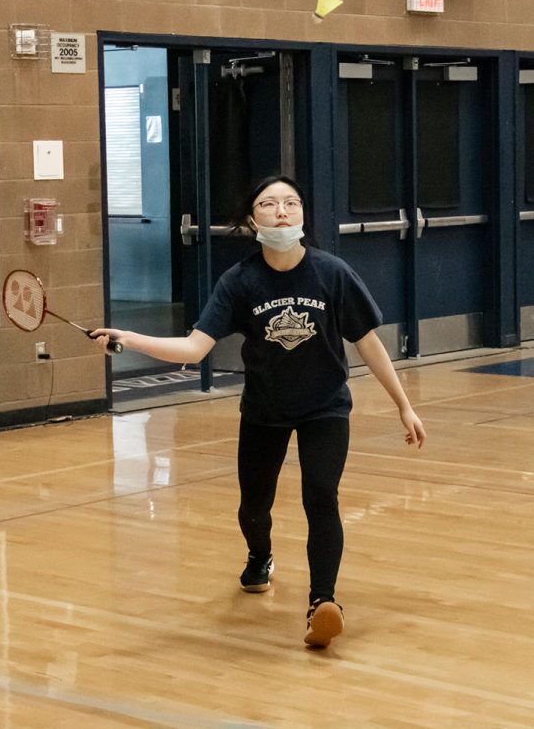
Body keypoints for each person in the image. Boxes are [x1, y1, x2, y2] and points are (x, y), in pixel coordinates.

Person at [91, 175, 426, 648]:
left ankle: (322, 602)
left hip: (325, 408)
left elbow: (368, 343)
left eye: (291, 203)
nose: (282, 211)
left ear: (303, 216)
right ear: (253, 220)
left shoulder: (332, 273)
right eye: (269, 204)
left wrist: (404, 407)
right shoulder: (241, 281)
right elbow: (194, 345)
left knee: (321, 496)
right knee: (254, 506)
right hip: (265, 410)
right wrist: (129, 337)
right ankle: (260, 557)